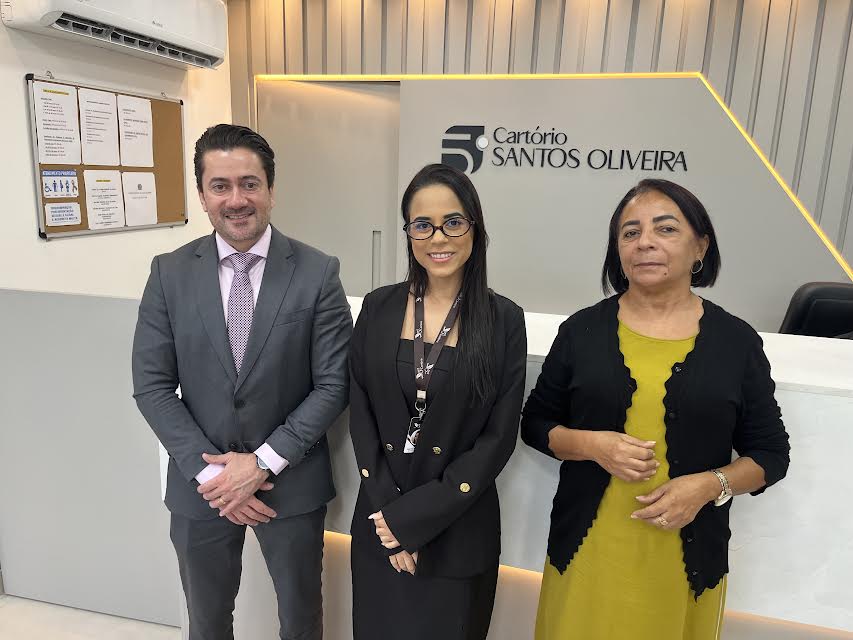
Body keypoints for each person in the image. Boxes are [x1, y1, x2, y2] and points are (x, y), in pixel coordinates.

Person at [521, 178, 790, 640]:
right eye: (630, 232)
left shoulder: (736, 342)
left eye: (665, 229)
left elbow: (771, 455)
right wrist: (593, 446)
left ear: (700, 247)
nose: (644, 242)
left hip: (684, 562)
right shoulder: (581, 331)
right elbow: (535, 424)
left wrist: (709, 485)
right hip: (588, 552)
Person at [131, 124, 352, 640]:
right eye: (220, 186)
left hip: (289, 483)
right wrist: (213, 476)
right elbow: (152, 384)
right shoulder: (169, 273)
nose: (236, 200)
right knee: (207, 623)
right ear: (202, 195)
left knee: (301, 622)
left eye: (249, 183)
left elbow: (334, 384)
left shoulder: (317, 272)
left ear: (271, 189)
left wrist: (263, 462)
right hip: (201, 488)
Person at [348, 163, 527, 640]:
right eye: (422, 225)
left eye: (453, 222)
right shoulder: (378, 307)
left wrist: (412, 522)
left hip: (456, 532)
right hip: (380, 526)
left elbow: (498, 438)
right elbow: (361, 413)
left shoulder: (504, 320)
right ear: (408, 232)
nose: (438, 238)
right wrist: (391, 520)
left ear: (475, 228)